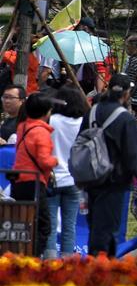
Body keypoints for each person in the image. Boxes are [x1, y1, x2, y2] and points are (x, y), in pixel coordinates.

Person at [79, 74, 137, 256]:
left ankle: (98, 260)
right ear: (126, 94)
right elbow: (133, 151)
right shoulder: (125, 118)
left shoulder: (92, 112)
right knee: (109, 226)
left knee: (95, 223)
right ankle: (101, 265)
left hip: (91, 177)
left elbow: (81, 140)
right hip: (114, 180)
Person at [10, 93, 57, 256]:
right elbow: (44, 160)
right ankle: (33, 259)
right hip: (34, 182)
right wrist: (55, 161)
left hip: (19, 181)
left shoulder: (22, 127)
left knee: (23, 223)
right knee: (43, 225)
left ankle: (19, 256)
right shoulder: (41, 131)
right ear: (46, 112)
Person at [43, 85, 87, 258]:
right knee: (70, 224)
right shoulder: (82, 122)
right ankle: (68, 262)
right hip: (74, 180)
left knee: (51, 224)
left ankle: (50, 260)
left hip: (52, 178)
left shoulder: (52, 121)